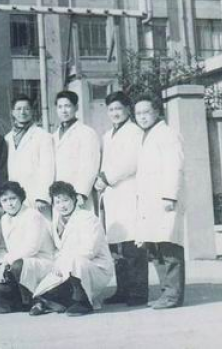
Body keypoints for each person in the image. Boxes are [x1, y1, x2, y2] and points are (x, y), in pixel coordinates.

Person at [94, 91, 148, 307]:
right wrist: (101, 179)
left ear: (127, 109)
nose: (115, 113)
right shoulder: (108, 135)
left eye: (118, 108)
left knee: (133, 245)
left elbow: (131, 162)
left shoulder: (135, 132)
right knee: (118, 246)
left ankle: (138, 292)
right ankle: (123, 289)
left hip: (128, 191)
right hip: (112, 195)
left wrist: (106, 178)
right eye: (111, 109)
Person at [30, 181, 114, 317]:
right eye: (57, 202)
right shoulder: (56, 222)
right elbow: (58, 250)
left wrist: (64, 263)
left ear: (74, 199)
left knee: (76, 262)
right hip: (69, 267)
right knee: (44, 290)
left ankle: (83, 302)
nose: (62, 205)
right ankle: (50, 302)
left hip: (94, 266)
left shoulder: (87, 218)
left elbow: (89, 250)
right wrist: (58, 265)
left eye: (66, 200)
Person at [134, 95, 185, 310]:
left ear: (157, 111)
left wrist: (170, 196)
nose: (142, 117)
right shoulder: (146, 135)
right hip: (150, 202)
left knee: (169, 247)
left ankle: (173, 295)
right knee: (155, 247)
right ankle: (166, 292)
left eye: (146, 112)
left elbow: (175, 166)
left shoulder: (167, 134)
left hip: (164, 200)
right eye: (138, 113)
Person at [0, 181, 55, 314]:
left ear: (20, 198)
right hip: (14, 263)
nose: (10, 204)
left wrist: (7, 261)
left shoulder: (32, 215)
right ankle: (22, 301)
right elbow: (2, 247)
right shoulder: (4, 219)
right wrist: (1, 263)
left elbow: (32, 248)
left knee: (18, 265)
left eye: (13, 198)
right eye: (4, 200)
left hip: (39, 261)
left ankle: (37, 300)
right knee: (0, 298)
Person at [4, 96, 54, 214]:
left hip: (36, 196)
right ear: (12, 112)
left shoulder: (43, 136)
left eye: (26, 109)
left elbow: (48, 168)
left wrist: (43, 197)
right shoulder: (7, 138)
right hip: (15, 197)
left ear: (32, 111)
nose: (22, 112)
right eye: (18, 109)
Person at [52, 91, 100, 212]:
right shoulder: (54, 136)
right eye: (60, 107)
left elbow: (90, 165)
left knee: (81, 222)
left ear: (76, 107)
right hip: (58, 194)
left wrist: (81, 193)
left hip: (77, 194)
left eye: (67, 106)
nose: (64, 110)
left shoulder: (86, 133)